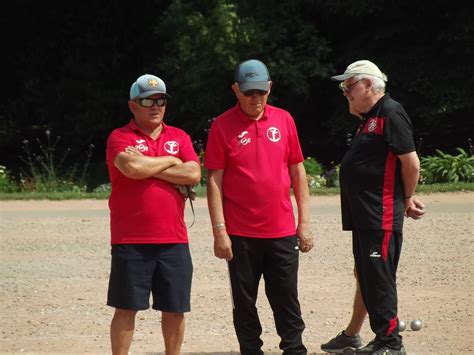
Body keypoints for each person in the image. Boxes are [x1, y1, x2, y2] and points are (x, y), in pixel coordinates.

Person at [204, 59, 314, 354]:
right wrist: (219, 231)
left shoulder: (284, 119)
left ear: (269, 88)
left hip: (280, 231)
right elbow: (213, 181)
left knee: (286, 298)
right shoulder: (222, 125)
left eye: (261, 92)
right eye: (249, 92)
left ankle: (294, 349)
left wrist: (304, 223)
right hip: (240, 233)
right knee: (244, 302)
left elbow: (298, 172)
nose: (256, 99)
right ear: (236, 90)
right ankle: (251, 350)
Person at [322, 60, 426, 354]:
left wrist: (407, 198)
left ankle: (391, 342)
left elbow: (411, 163)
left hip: (380, 213)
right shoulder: (370, 117)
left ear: (369, 84)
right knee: (368, 276)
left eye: (349, 85)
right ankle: (373, 337)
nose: (345, 92)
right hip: (365, 216)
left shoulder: (391, 112)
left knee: (379, 279)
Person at [105, 74, 201, 355]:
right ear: (133, 105)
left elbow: (194, 173)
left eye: (161, 100)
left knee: (175, 309)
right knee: (126, 308)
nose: (155, 105)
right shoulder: (119, 137)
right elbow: (131, 169)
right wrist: (173, 163)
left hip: (174, 240)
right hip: (130, 239)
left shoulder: (178, 136)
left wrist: (150, 165)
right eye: (148, 100)